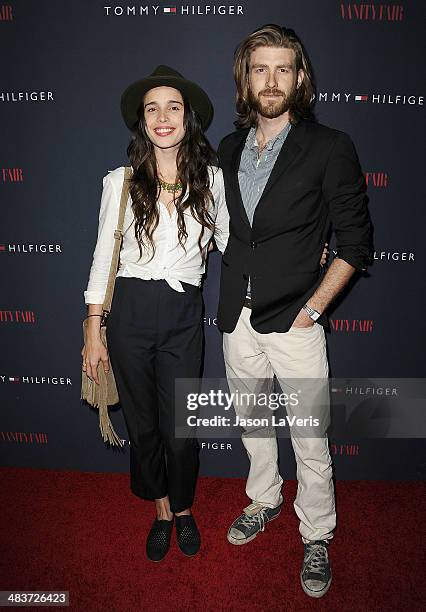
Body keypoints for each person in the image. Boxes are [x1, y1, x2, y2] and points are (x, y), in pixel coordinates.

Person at [217, 25, 374, 598]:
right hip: (237, 319)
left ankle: (317, 533)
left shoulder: (331, 146)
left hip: (295, 323)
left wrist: (312, 309)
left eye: (283, 69)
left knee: (310, 437)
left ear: (300, 77)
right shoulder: (229, 148)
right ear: (245, 78)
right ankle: (264, 499)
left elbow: (356, 244)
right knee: (254, 426)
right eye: (261, 69)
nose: (272, 80)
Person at [81, 65, 229, 562]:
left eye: (173, 107)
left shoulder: (211, 181)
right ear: (142, 122)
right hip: (130, 313)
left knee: (181, 428)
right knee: (144, 426)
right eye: (152, 109)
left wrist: (294, 250)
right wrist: (93, 330)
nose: (162, 117)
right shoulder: (120, 181)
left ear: (189, 118)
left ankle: (184, 509)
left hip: (185, 313)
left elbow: (232, 243)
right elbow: (104, 256)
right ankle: (163, 511)